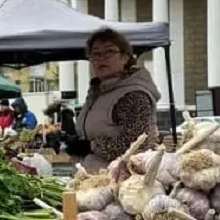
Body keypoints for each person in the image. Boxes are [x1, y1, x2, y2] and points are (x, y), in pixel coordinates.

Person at [66, 28, 160, 172]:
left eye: (109, 52)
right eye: (96, 54)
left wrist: (89, 146)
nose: (101, 58)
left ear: (125, 57)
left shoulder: (134, 94)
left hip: (123, 182)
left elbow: (136, 145)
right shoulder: (98, 91)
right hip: (95, 179)